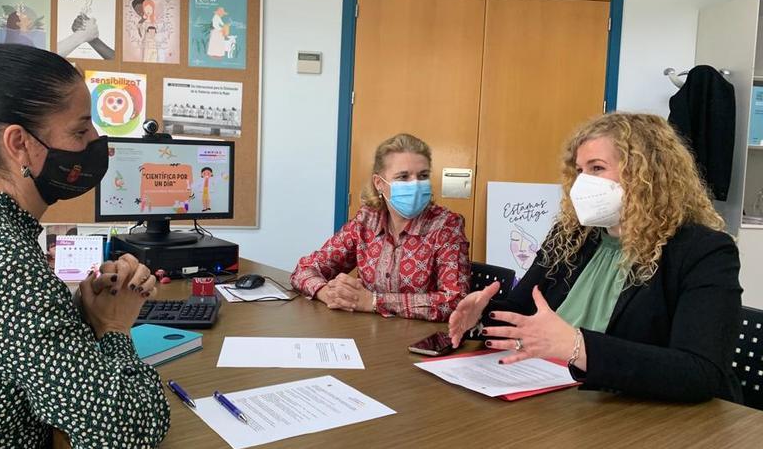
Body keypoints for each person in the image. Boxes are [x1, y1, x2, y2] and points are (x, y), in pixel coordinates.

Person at [0, 44, 170, 447]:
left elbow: (4, 346)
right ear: (19, 143)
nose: (97, 140)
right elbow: (126, 432)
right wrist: (113, 327)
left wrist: (77, 314)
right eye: (80, 130)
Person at [448, 112, 742, 403]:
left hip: (640, 415)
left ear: (646, 174)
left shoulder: (704, 251)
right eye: (579, 171)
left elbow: (699, 372)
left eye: (597, 168)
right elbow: (524, 314)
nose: (582, 183)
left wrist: (577, 347)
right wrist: (481, 315)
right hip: (556, 397)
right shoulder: (571, 236)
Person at [291, 133, 470, 322]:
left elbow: (456, 301)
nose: (415, 185)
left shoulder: (446, 226)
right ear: (379, 184)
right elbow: (305, 268)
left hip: (421, 340)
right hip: (369, 334)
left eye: (423, 176)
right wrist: (328, 293)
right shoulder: (367, 220)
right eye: (403, 177)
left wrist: (374, 302)